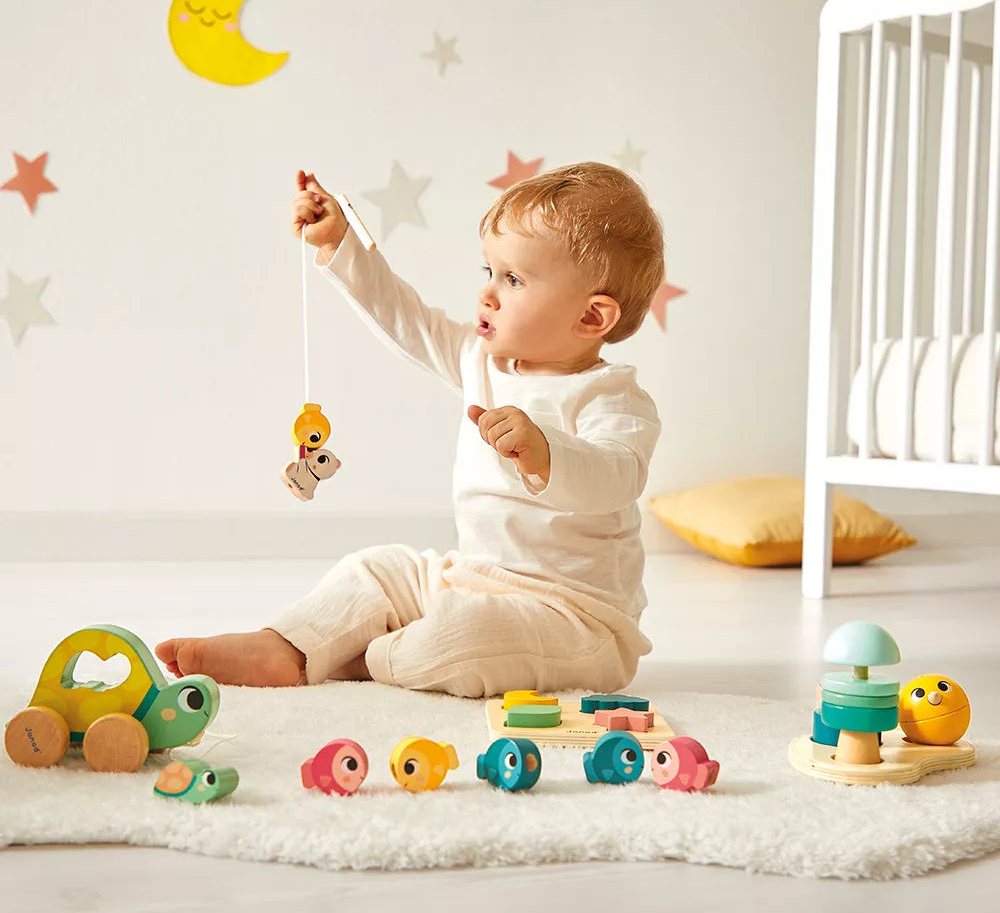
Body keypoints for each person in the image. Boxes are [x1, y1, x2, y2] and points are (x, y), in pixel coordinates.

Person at [156, 161, 665, 697]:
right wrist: (340, 244)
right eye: (489, 271)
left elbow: (619, 475)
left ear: (591, 318)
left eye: (513, 280)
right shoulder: (480, 359)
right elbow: (407, 319)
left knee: (462, 636)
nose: (488, 295)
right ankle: (289, 647)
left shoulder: (613, 396)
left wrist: (547, 452)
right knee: (375, 570)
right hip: (471, 579)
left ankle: (367, 654)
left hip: (574, 618)